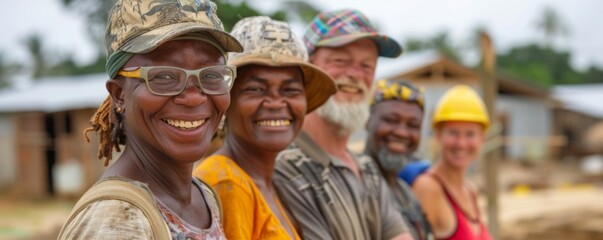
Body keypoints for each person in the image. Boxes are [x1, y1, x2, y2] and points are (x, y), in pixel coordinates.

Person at [57, 0, 243, 239]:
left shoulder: (204, 197)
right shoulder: (118, 220)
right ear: (119, 94)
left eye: (211, 75)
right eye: (163, 77)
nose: (193, 98)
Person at [273, 9, 413, 240]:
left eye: (367, 65)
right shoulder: (286, 166)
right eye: (340, 61)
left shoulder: (367, 169)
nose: (355, 74)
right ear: (307, 68)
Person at [193, 16, 336, 240]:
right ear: (226, 101)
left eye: (290, 90)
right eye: (256, 89)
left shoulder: (268, 182)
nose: (276, 103)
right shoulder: (227, 183)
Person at [412, 85, 493, 240]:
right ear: (438, 136)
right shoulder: (428, 188)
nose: (461, 144)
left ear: (482, 138)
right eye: (453, 133)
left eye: (470, 134)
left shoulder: (470, 191)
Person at [364, 79, 433, 240]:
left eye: (413, 125)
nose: (402, 133)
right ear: (367, 121)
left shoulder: (407, 193)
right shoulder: (353, 186)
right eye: (390, 120)